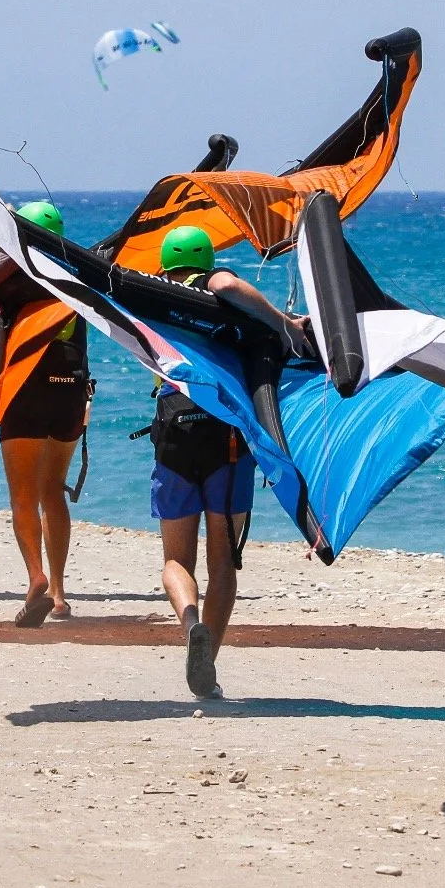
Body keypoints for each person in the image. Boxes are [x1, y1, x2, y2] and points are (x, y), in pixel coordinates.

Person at [148, 223, 307, 699]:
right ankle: (208, 666)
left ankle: (190, 621)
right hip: (227, 440)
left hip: (175, 431)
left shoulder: (150, 301)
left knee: (177, 559)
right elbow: (228, 285)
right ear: (205, 260)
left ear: (166, 265)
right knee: (223, 564)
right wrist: (283, 323)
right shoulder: (214, 289)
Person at [0, 200, 92, 627]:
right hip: (71, 389)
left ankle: (35, 578)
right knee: (53, 489)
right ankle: (60, 593)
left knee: (23, 494)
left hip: (28, 386)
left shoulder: (11, 279)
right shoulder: (76, 274)